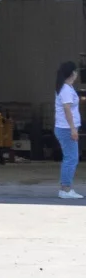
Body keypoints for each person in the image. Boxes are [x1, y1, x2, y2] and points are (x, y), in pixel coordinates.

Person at [56, 60, 81, 200]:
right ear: (72, 73)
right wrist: (73, 129)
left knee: (70, 158)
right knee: (71, 159)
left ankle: (66, 188)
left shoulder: (67, 87)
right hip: (66, 128)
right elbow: (67, 110)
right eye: (75, 71)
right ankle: (65, 189)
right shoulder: (65, 89)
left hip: (66, 128)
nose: (77, 73)